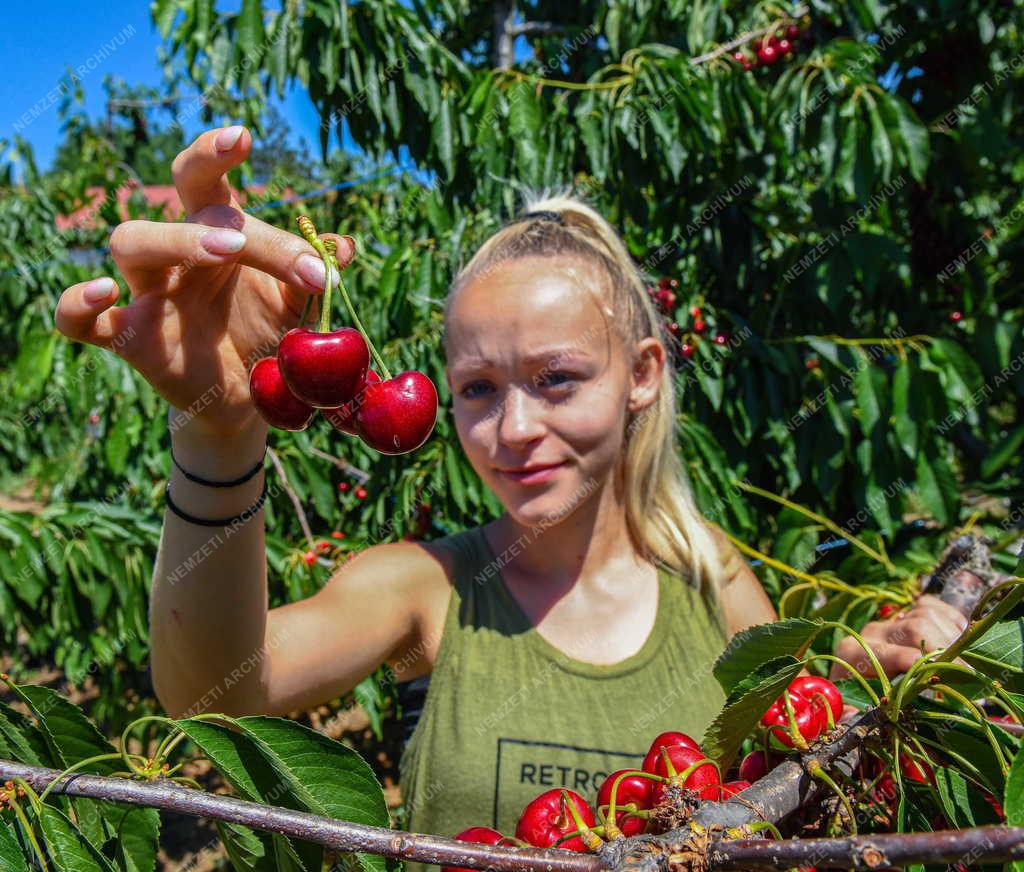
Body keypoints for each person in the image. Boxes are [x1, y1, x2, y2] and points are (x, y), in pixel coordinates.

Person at [54, 126, 970, 869]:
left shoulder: (709, 573)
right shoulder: (425, 588)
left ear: (643, 374)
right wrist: (221, 430)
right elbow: (218, 693)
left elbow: (774, 743)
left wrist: (858, 663)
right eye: (480, 389)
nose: (514, 428)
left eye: (558, 379)